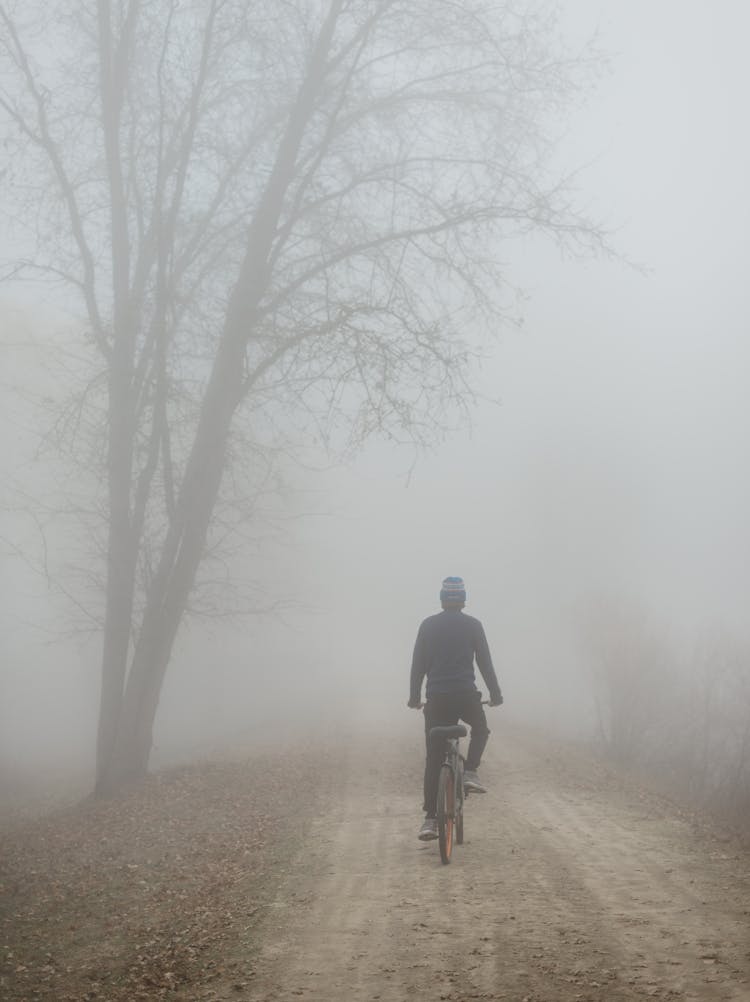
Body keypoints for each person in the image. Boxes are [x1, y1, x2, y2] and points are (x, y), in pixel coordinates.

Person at [408, 576, 503, 841]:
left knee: (434, 759)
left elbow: (419, 665)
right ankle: (471, 770)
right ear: (463, 599)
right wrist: (496, 695)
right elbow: (485, 662)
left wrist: (414, 697)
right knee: (481, 729)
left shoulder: (428, 625)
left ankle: (429, 820)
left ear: (442, 598)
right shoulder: (473, 625)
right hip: (465, 696)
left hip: (437, 699)